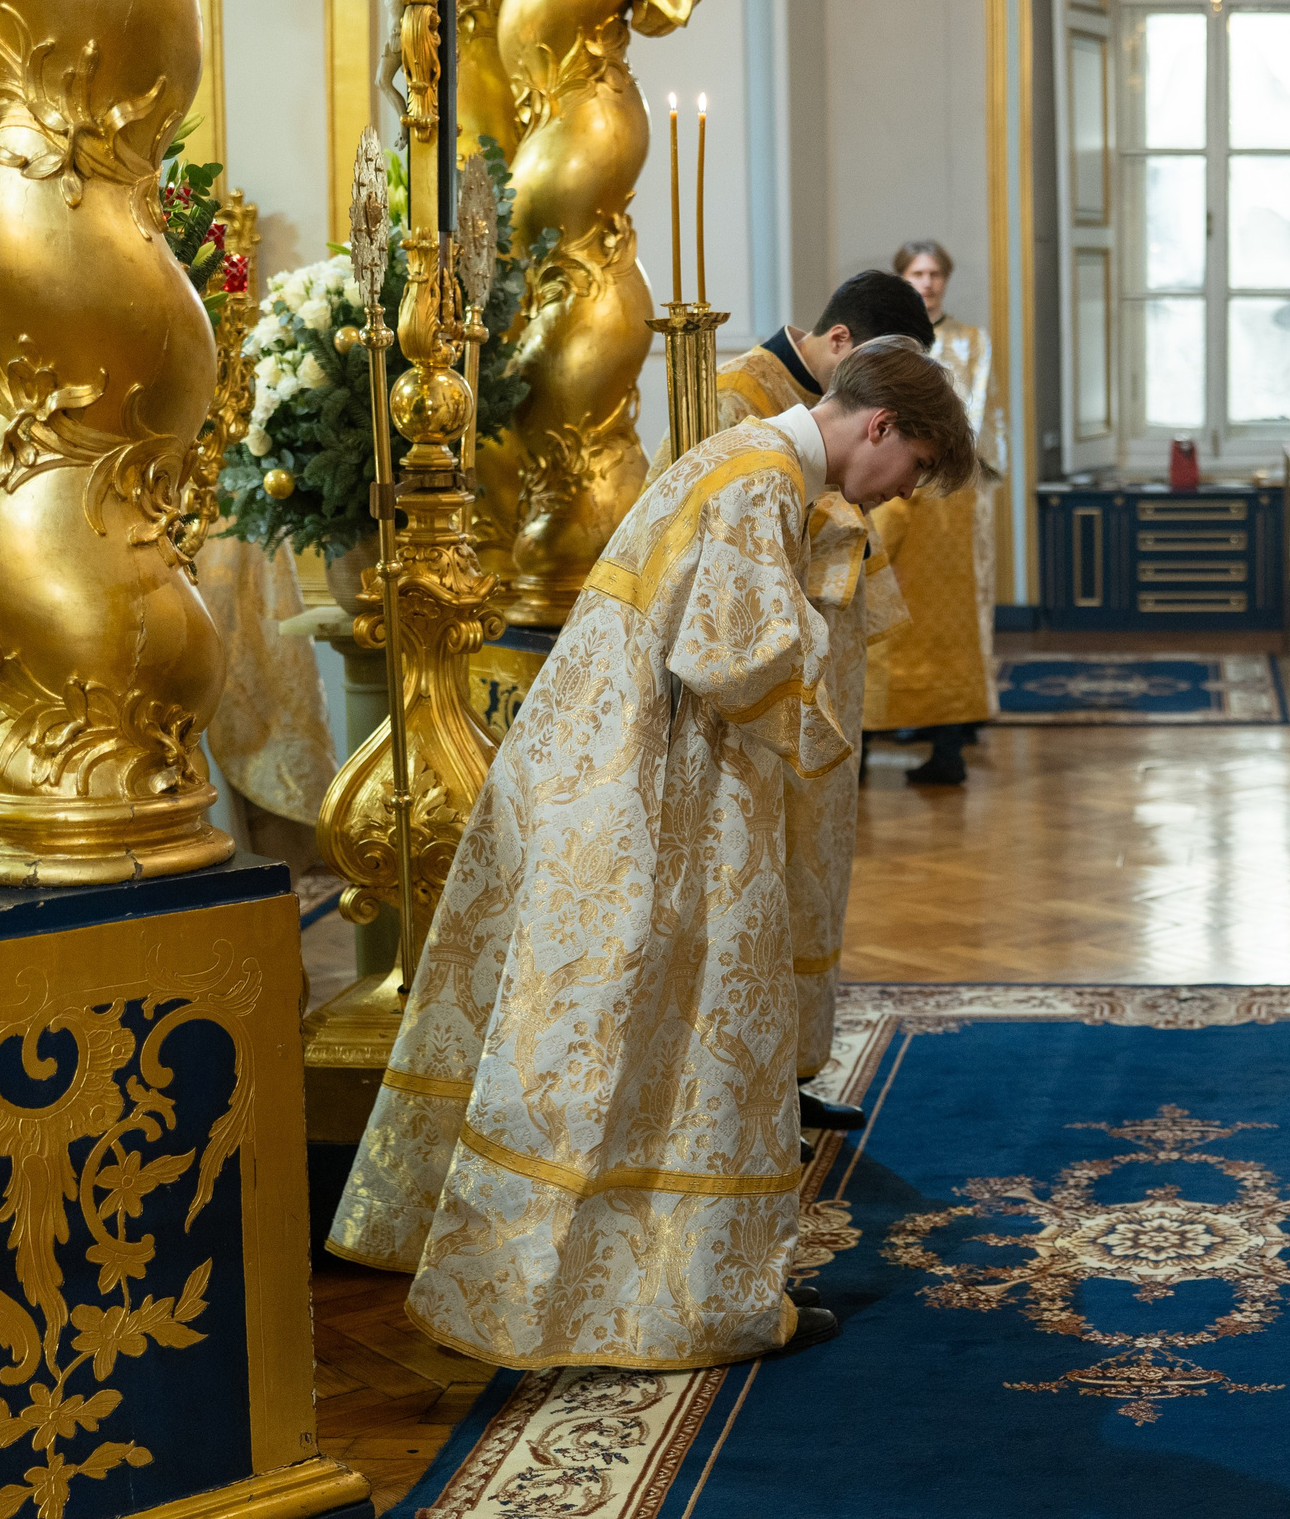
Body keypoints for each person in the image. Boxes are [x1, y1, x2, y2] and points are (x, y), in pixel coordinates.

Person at [327, 336, 977, 1369]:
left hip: (620, 770)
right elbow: (737, 659)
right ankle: (686, 1296)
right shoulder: (759, 481)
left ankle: (597, 1273)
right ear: (882, 426)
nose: (904, 493)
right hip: (655, 791)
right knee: (696, 1026)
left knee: (612, 1033)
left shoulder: (745, 463)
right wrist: (822, 700)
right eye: (915, 469)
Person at [716, 272, 934, 1125]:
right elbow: (731, 549)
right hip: (764, 689)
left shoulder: (835, 410)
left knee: (812, 873)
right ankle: (748, 1087)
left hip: (826, 674)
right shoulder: (737, 395)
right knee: (758, 874)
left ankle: (795, 1076)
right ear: (843, 344)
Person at [863, 241, 999, 787]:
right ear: (902, 278)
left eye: (936, 272)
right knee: (878, 606)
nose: (928, 282)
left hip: (949, 502)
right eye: (917, 273)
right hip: (892, 495)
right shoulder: (885, 344)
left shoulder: (969, 341)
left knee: (946, 621)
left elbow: (980, 415)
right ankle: (866, 740)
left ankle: (948, 746)